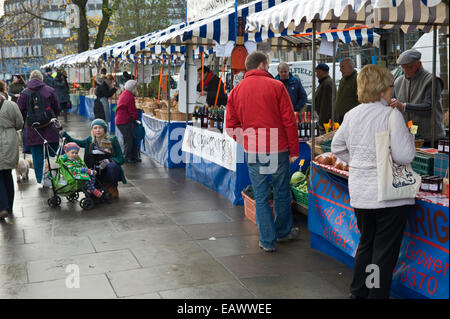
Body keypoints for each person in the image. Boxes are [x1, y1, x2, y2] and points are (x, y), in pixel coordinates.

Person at [331, 64, 416, 299]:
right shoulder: (391, 115)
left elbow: (337, 147)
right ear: (381, 89)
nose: (392, 91)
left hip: (360, 193)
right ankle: (376, 295)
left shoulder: (351, 115)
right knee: (383, 252)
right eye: (390, 86)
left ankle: (358, 293)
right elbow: (405, 156)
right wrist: (408, 137)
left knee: (366, 244)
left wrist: (357, 160)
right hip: (387, 196)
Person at [225, 51, 300, 252]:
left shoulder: (236, 91)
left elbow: (230, 126)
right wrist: (294, 149)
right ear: (261, 65)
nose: (269, 68)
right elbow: (289, 121)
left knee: (260, 195)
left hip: (254, 148)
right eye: (267, 65)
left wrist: (246, 140)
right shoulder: (277, 87)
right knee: (282, 191)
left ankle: (267, 240)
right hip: (277, 146)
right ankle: (283, 232)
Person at [390, 49, 445, 147]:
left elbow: (429, 107)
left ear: (419, 64)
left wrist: (403, 106)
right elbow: (392, 102)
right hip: (408, 136)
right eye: (403, 67)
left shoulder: (432, 81)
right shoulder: (398, 82)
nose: (405, 70)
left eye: (409, 67)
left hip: (430, 137)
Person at [16, 70, 60, 188]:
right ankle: (54, 178)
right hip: (50, 127)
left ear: (30, 79)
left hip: (33, 129)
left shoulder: (24, 93)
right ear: (42, 79)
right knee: (52, 154)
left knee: (37, 156)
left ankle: (41, 180)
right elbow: (57, 107)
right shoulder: (50, 90)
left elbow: (19, 111)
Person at [61, 118, 125, 198]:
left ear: (104, 129)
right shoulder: (90, 140)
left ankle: (112, 187)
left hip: (107, 170)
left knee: (113, 166)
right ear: (92, 130)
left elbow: (121, 159)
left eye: (100, 128)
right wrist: (61, 130)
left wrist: (109, 160)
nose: (98, 130)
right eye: (95, 128)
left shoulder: (112, 140)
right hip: (93, 170)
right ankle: (95, 187)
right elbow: (74, 141)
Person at [0, 91, 24, 219]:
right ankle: (9, 206)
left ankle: (2, 207)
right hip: (10, 139)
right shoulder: (12, 105)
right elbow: (20, 123)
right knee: (7, 174)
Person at [115, 80, 140, 163]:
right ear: (132, 88)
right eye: (135, 87)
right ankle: (126, 157)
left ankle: (133, 157)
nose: (136, 89)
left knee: (130, 138)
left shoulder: (125, 94)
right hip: (124, 121)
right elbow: (132, 110)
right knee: (129, 140)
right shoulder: (129, 96)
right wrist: (136, 117)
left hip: (121, 120)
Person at [335, 58, 358, 124]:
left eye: (342, 67)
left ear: (350, 67)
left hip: (351, 118)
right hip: (340, 117)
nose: (340, 70)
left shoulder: (358, 79)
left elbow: (360, 100)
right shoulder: (343, 80)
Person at [315, 63, 334, 130]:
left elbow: (325, 104)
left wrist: (321, 122)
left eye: (318, 72)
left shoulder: (327, 83)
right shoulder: (323, 82)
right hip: (324, 119)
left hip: (326, 121)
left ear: (325, 72)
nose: (316, 75)